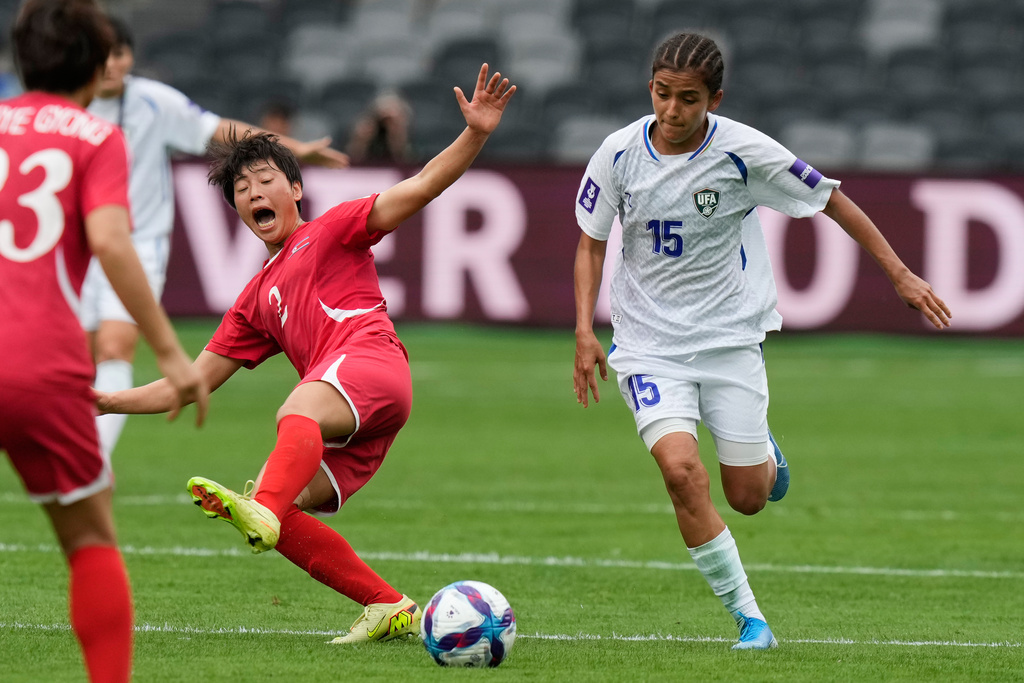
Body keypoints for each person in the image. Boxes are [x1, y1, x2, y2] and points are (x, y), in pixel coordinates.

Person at [96, 63, 515, 644]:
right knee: (285, 505)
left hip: (371, 364)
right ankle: (386, 604)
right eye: (242, 190)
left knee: (292, 420)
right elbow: (186, 384)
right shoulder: (252, 301)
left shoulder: (334, 229)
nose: (254, 193)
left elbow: (420, 187)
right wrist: (103, 401)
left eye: (265, 180)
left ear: (296, 189)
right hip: (354, 412)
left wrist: (475, 133)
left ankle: (262, 508)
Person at [572, 32, 951, 650]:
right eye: (663, 94)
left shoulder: (744, 152)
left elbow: (832, 200)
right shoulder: (617, 154)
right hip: (646, 346)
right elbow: (591, 242)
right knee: (681, 473)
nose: (672, 110)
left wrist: (901, 274)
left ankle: (765, 456)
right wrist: (585, 328)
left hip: (729, 340)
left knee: (747, 497)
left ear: (714, 100)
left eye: (688, 99)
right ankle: (751, 620)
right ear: (650, 88)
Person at [0, 1, 208, 681]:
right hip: (37, 362)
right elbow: (113, 242)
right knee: (90, 539)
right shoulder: (96, 136)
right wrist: (171, 352)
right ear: (95, 67)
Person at [82, 16, 349, 460]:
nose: (110, 64)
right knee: (78, 355)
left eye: (119, 53)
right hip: (75, 247)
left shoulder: (154, 102)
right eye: (100, 54)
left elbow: (218, 130)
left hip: (136, 244)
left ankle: (95, 460)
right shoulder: (68, 105)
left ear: (130, 58)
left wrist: (293, 148)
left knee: (114, 345)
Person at [345, 91, 413, 164]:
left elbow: (406, 161)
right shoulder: (369, 132)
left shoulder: (409, 136)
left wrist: (396, 133)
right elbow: (353, 160)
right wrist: (361, 140)